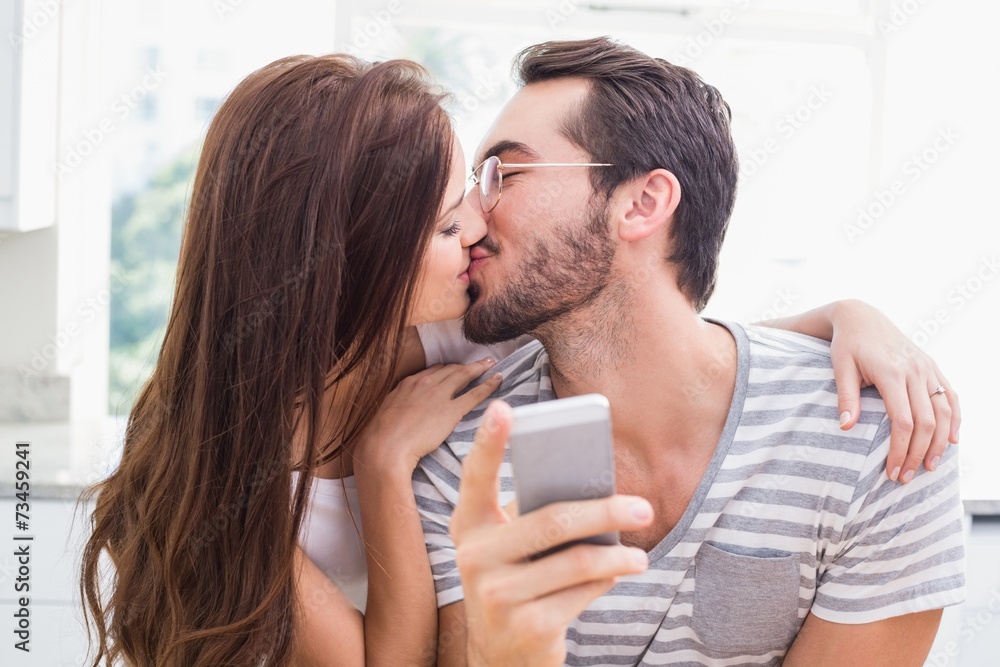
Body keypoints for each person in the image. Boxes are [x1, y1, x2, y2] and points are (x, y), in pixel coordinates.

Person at [78, 52, 958, 667]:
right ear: (355, 255)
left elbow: (652, 333)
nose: (477, 223)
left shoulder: (468, 340)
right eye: (447, 215)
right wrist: (385, 468)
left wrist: (848, 315)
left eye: (497, 181)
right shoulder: (249, 460)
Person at [414, 38, 966, 666]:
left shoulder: (880, 437)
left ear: (643, 203)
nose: (474, 220)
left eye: (504, 175)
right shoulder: (466, 454)